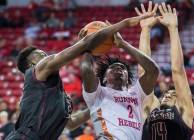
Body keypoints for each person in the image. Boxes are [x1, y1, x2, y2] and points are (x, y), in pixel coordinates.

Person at [5, 13, 154, 140]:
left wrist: (104, 103)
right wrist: (125, 23)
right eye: (41, 55)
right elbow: (84, 46)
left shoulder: (58, 94)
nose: (46, 56)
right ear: (32, 63)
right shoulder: (37, 71)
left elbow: (71, 123)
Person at [80, 16, 159, 140]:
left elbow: (153, 70)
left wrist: (123, 44)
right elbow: (86, 69)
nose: (119, 68)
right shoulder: (98, 93)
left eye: (123, 68)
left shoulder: (136, 93)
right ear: (104, 79)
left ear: (128, 79)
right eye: (113, 67)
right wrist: (85, 47)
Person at [135, 3, 194, 140]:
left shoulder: (184, 111)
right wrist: (145, 29)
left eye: (173, 94)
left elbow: (177, 71)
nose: (167, 95)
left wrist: (173, 29)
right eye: (167, 93)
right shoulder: (152, 108)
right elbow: (144, 72)